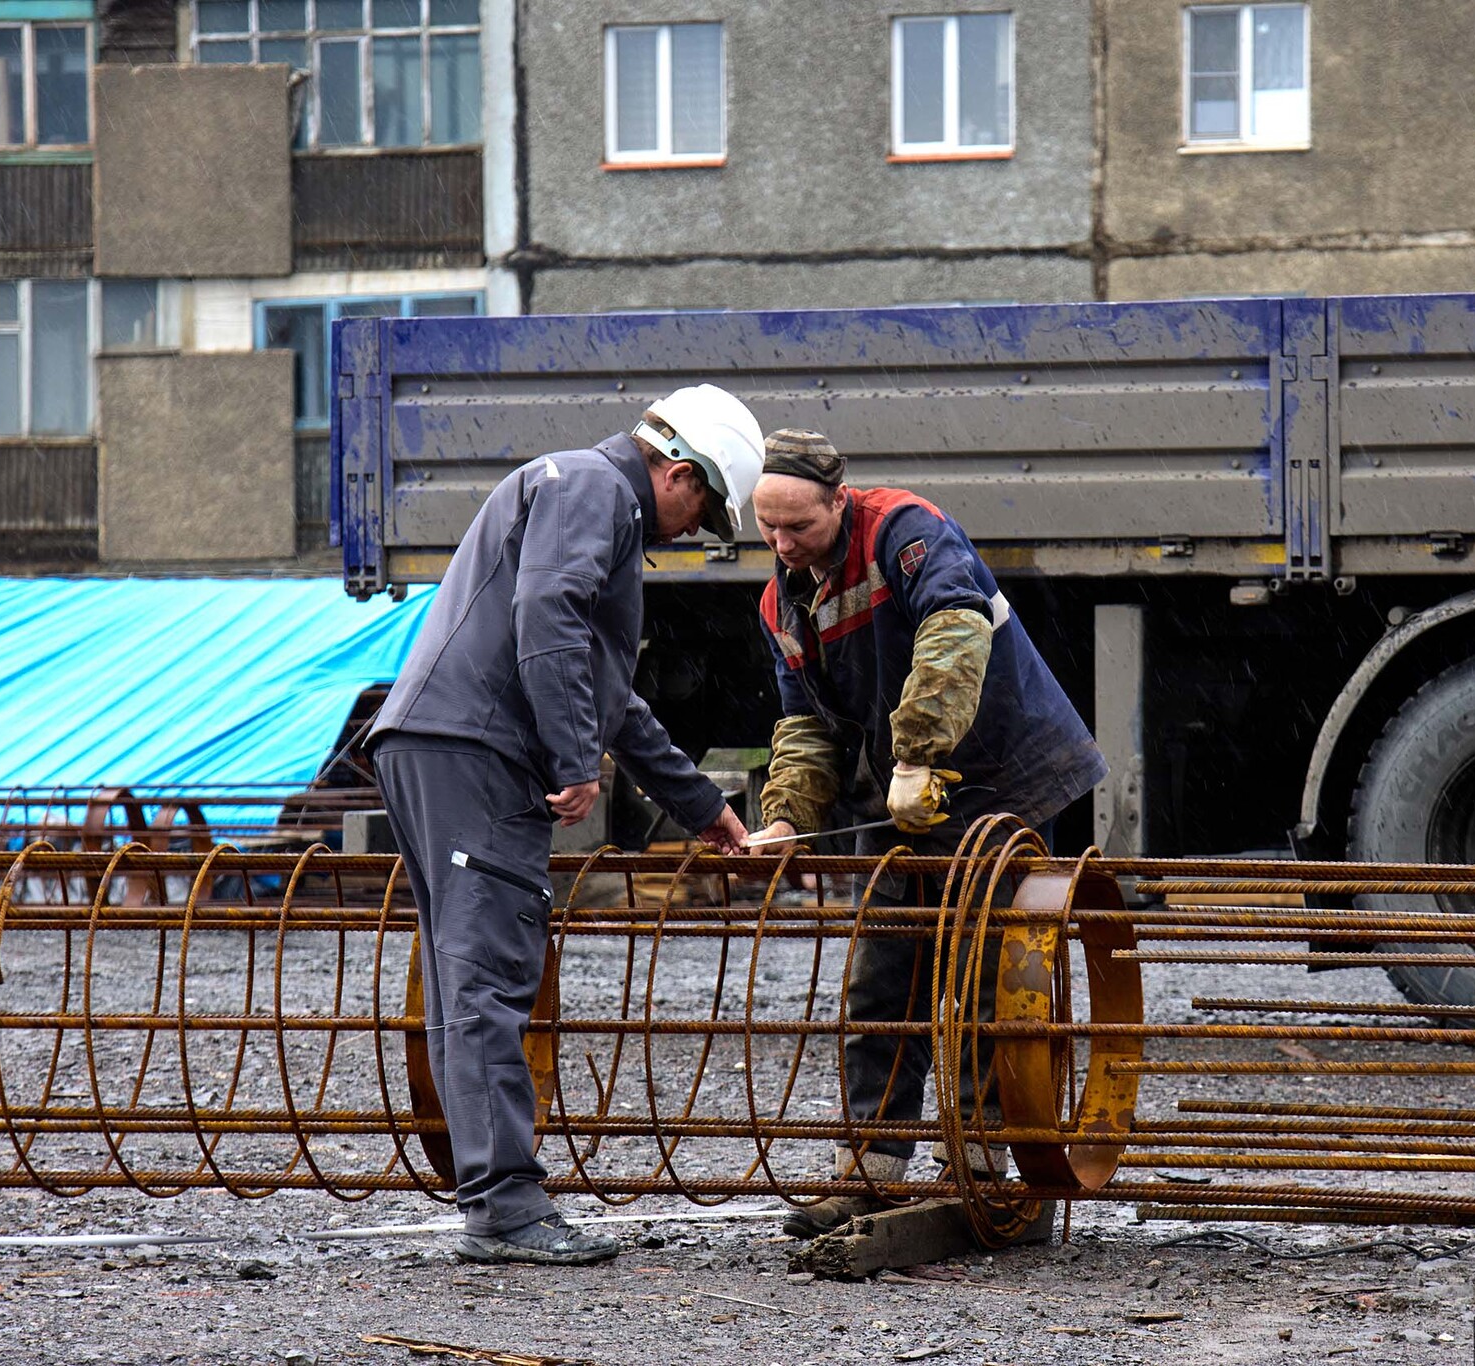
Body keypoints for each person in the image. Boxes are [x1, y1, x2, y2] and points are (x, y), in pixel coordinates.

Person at [370, 385, 759, 1264]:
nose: (691, 532)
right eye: (702, 511)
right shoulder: (593, 489)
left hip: (443, 744)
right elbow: (546, 620)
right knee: (489, 975)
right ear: (679, 472)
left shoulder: (583, 498)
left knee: (466, 971)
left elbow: (609, 690)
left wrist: (705, 810)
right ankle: (504, 1207)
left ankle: (493, 1191)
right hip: (475, 751)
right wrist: (573, 758)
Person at [743, 429, 1108, 1236]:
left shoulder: (907, 533)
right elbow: (807, 729)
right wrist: (785, 818)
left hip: (1000, 772)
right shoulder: (783, 603)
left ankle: (979, 1166)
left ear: (839, 501)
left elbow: (954, 629)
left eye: (798, 525)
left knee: (984, 972)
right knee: (884, 970)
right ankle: (873, 1167)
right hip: (913, 791)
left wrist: (917, 753)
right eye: (768, 527)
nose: (782, 542)